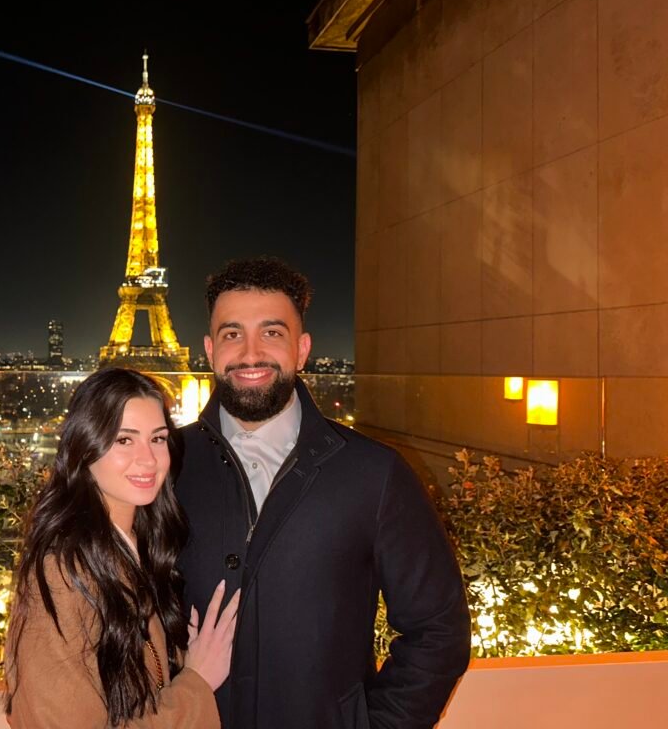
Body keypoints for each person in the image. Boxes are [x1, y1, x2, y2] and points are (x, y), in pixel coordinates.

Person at [176, 258, 470, 729]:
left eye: (272, 333)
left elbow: (438, 628)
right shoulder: (164, 467)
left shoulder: (375, 472)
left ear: (302, 350)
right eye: (232, 334)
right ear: (210, 350)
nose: (250, 353)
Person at [5, 367, 241, 728]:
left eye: (158, 438)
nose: (148, 459)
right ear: (85, 447)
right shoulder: (62, 573)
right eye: (124, 440)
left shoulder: (136, 547)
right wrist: (197, 683)